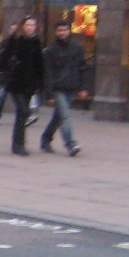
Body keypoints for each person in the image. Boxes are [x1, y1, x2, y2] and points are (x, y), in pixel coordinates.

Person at [38, 19, 88, 156]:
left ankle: (45, 139)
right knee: (65, 116)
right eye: (59, 30)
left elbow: (83, 67)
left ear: (69, 30)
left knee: (58, 117)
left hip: (71, 87)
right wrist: (49, 94)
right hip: (57, 89)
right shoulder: (50, 51)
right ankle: (70, 144)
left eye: (65, 30)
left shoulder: (76, 48)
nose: (62, 33)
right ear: (55, 32)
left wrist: (83, 87)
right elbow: (47, 74)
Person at [0, 16, 44, 156]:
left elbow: (39, 64)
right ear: (23, 26)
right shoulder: (16, 41)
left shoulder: (36, 42)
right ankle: (18, 144)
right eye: (28, 24)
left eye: (33, 25)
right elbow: (3, 59)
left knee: (21, 115)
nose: (30, 27)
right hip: (15, 82)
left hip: (29, 84)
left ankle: (18, 144)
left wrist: (40, 82)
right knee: (24, 111)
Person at [0, 20, 21, 124]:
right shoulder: (5, 43)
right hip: (5, 74)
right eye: (12, 29)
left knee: (18, 98)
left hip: (16, 75)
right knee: (2, 96)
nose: (13, 32)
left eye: (15, 30)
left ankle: (23, 115)